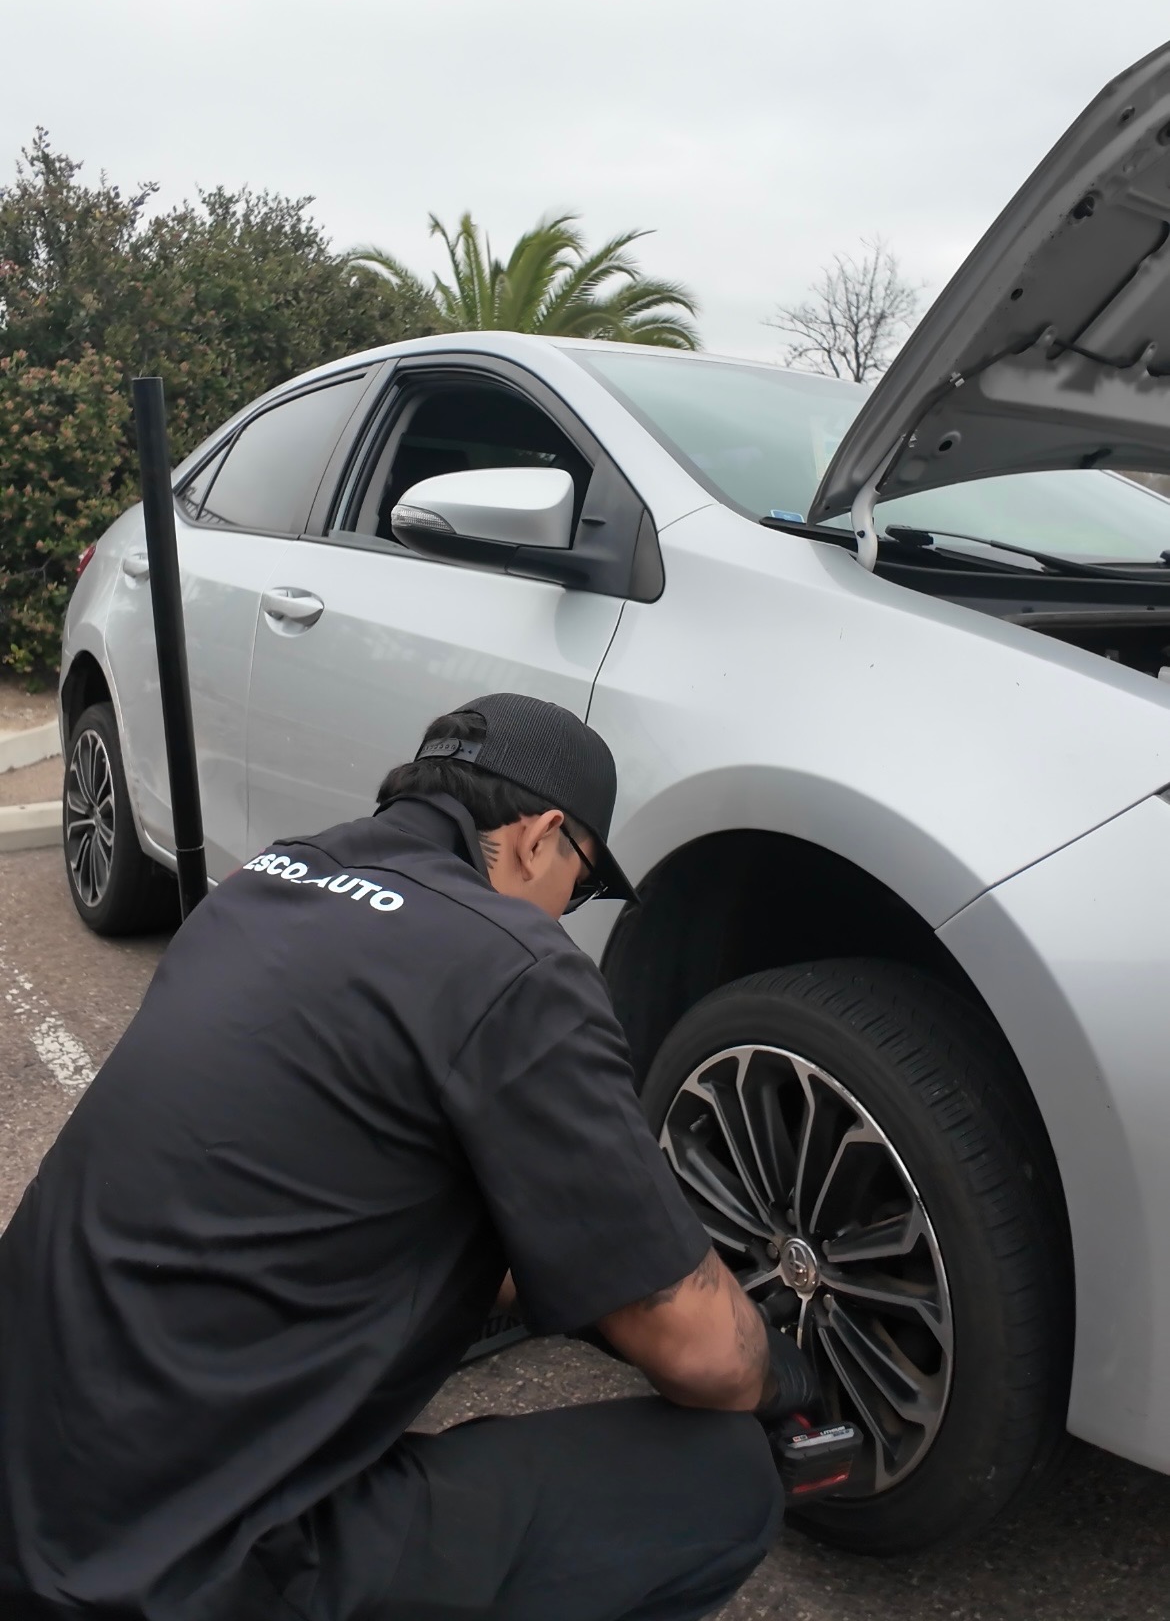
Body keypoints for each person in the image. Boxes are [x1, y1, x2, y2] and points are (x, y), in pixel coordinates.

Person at [0, 693, 813, 1621]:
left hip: (31, 1480)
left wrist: (587, 1282)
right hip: (178, 1572)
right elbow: (699, 1351)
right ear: (543, 836)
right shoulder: (513, 966)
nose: (568, 913)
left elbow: (380, 1203)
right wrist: (780, 1369)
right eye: (583, 885)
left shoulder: (264, 886)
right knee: (727, 1478)